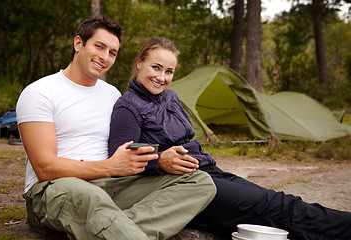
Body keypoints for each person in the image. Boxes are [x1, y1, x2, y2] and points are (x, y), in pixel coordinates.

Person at [108, 37, 351, 240]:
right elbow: (120, 161)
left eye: (169, 71)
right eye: (156, 67)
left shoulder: (170, 97)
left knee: (279, 202)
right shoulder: (128, 107)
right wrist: (159, 160)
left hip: (208, 170)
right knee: (274, 207)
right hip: (181, 186)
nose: (162, 77)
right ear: (139, 63)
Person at [16, 17, 216, 240]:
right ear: (78, 43)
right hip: (55, 188)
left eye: (112, 52)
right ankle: (109, 228)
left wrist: (155, 159)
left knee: (200, 182)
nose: (104, 57)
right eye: (99, 47)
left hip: (110, 184)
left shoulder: (112, 94)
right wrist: (110, 166)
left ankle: (104, 228)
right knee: (91, 198)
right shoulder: (40, 93)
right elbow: (45, 168)